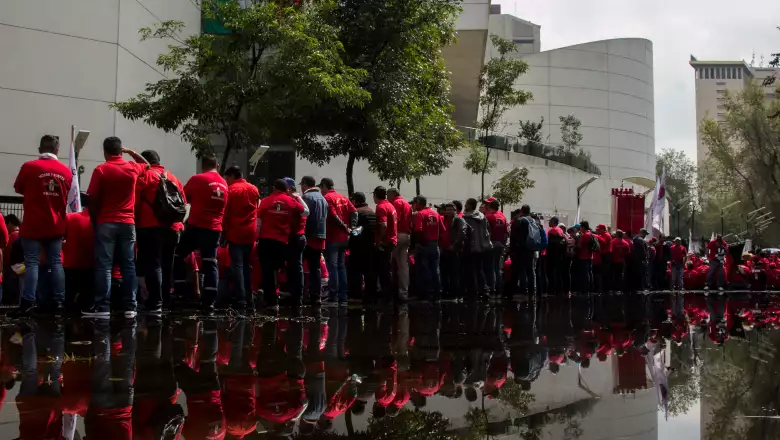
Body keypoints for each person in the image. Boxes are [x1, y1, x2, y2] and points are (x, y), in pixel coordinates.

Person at [83, 137, 148, 318]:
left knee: (104, 265)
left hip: (107, 221)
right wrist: (131, 152)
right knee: (128, 265)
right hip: (128, 222)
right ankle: (130, 307)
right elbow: (147, 165)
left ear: (105, 152)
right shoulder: (132, 167)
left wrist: (96, 217)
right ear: (121, 151)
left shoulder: (101, 170)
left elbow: (93, 197)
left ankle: (102, 307)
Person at [13, 135, 73, 316]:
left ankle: (28, 302)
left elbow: (18, 187)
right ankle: (59, 303)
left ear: (40, 149)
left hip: (33, 225)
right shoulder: (66, 172)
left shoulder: (29, 167)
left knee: (32, 262)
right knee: (56, 263)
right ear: (57, 150)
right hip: (55, 225)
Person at [172, 155, 228, 315]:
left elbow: (182, 198)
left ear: (203, 166)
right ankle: (209, 302)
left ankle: (180, 293)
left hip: (196, 226)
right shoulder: (224, 183)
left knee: (179, 255)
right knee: (210, 262)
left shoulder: (197, 179)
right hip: (215, 229)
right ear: (217, 165)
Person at [134, 150, 186, 314]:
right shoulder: (173, 178)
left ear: (144, 162)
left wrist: (135, 222)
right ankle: (165, 301)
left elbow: (135, 201)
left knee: (153, 264)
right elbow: (182, 202)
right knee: (167, 265)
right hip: (172, 228)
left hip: (150, 226)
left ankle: (155, 302)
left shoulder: (145, 176)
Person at [257, 179, 305, 308]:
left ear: (274, 188)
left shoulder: (266, 201)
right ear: (286, 189)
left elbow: (259, 222)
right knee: (279, 269)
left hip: (266, 240)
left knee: (267, 271)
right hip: (282, 241)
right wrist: (298, 198)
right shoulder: (291, 201)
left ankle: (271, 301)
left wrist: (257, 237)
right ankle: (286, 296)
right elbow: (305, 212)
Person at [222, 166, 260, 310]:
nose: (226, 181)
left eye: (227, 178)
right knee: (246, 266)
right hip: (250, 234)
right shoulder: (254, 189)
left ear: (232, 176)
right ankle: (249, 299)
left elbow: (226, 213)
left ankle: (241, 300)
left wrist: (224, 231)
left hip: (235, 233)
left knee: (237, 267)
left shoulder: (231, 190)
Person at [321, 178, 357, 304]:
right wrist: (351, 228)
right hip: (344, 239)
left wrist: (344, 227)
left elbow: (333, 215)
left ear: (325, 186)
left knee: (333, 267)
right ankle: (343, 295)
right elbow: (354, 212)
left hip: (333, 237)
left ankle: (334, 296)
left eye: (322, 187)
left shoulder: (327, 198)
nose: (321, 190)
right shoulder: (343, 197)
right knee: (341, 267)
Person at [300, 176, 328, 305]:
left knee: (300, 266)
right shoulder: (323, 198)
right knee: (315, 267)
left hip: (309, 236)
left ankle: (301, 294)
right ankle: (316, 296)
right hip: (321, 237)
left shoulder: (307, 198)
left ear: (305, 185)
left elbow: (304, 217)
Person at [63, 196, 94, 313]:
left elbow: (62, 238)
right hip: (92, 264)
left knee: (69, 296)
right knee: (88, 298)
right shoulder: (100, 221)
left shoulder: (70, 218)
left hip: (71, 264)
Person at [283, 177, 310, 307]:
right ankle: (294, 295)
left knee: (296, 267)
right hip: (294, 237)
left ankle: (297, 297)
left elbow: (306, 212)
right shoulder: (295, 199)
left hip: (296, 237)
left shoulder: (295, 200)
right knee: (293, 267)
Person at [412, 196, 444, 302]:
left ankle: (426, 294)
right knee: (435, 270)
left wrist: (422, 242)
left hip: (424, 245)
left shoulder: (420, 214)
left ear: (418, 203)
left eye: (415, 203)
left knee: (424, 269)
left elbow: (418, 230)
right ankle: (437, 293)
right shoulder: (436, 214)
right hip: (435, 245)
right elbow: (443, 229)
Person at [348, 192, 377, 301]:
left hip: (358, 247)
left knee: (355, 272)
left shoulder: (357, 212)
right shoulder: (371, 211)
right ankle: (370, 296)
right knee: (369, 271)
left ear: (355, 201)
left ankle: (356, 296)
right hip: (370, 246)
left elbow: (355, 231)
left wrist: (350, 241)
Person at [462, 198, 492, 299]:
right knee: (479, 269)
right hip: (482, 247)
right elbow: (488, 231)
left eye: (466, 204)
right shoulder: (482, 217)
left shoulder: (466, 218)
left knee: (471, 269)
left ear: (469, 205)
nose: (465, 205)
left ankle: (473, 291)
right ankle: (484, 290)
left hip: (471, 246)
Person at [373, 186, 398, 301]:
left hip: (385, 242)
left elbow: (383, 225)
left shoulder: (381, 207)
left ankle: (386, 295)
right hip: (392, 240)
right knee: (387, 268)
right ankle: (388, 294)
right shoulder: (390, 205)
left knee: (383, 270)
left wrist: (378, 242)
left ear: (375, 195)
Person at [389, 188, 412, 302]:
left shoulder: (397, 203)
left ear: (392, 194)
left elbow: (395, 219)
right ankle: (404, 292)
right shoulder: (407, 204)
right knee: (403, 266)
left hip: (398, 235)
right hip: (407, 235)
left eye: (388, 195)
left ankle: (386, 289)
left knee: (388, 261)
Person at [440, 203, 467, 300]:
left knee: (455, 273)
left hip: (455, 250)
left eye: (451, 210)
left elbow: (462, 233)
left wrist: (454, 245)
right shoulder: (443, 219)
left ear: (455, 211)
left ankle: (455, 293)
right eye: (447, 210)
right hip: (445, 249)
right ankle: (446, 291)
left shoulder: (458, 219)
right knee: (445, 272)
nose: (449, 211)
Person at [509, 204, 537, 297]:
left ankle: (523, 290)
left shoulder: (519, 221)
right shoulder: (533, 220)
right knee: (531, 270)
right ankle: (532, 291)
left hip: (520, 250)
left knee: (522, 270)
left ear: (521, 211)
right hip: (531, 249)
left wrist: (512, 249)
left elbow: (513, 236)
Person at [484, 198, 508, 296]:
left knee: (490, 268)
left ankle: (492, 289)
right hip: (500, 244)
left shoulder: (488, 217)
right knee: (497, 267)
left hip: (491, 244)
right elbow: (506, 233)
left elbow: (485, 232)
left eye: (487, 204)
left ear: (490, 205)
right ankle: (498, 289)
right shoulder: (502, 216)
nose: (485, 205)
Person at [545, 217, 566, 295]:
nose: (549, 223)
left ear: (553, 222)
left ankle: (552, 289)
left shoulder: (552, 231)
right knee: (558, 272)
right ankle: (559, 289)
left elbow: (548, 242)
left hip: (552, 255)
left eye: (550, 221)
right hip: (559, 255)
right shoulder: (560, 230)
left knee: (551, 272)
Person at [574, 221, 595, 294]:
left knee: (585, 274)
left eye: (580, 227)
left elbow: (579, 246)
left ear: (583, 227)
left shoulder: (584, 235)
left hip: (583, 256)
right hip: (590, 256)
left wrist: (575, 245)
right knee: (590, 272)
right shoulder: (591, 234)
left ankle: (585, 289)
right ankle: (590, 288)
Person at [594, 224, 612, 293]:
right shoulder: (602, 235)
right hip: (603, 255)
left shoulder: (607, 235)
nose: (597, 230)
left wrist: (596, 236)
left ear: (603, 229)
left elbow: (604, 242)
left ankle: (606, 289)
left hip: (606, 255)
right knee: (602, 272)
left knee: (605, 272)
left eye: (599, 229)